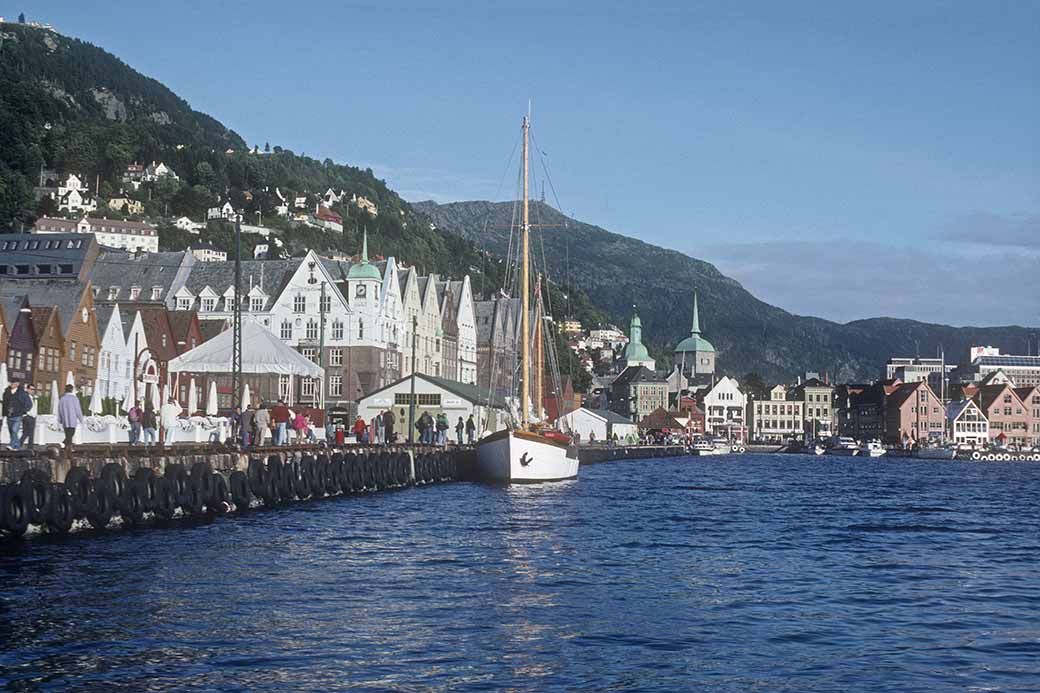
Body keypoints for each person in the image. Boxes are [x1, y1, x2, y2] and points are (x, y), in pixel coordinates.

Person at [57, 384, 83, 459]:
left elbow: (60, 410)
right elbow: (78, 410)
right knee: (70, 434)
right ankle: (65, 446)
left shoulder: (62, 399)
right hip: (72, 420)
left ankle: (67, 450)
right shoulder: (74, 399)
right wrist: (81, 418)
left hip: (65, 420)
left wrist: (60, 419)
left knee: (68, 434)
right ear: (71, 390)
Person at [19, 384, 37, 449]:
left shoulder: (32, 397)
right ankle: (30, 448)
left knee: (26, 432)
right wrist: (26, 412)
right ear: (27, 389)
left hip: (31, 416)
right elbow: (23, 406)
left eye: (34, 389)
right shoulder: (25, 396)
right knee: (31, 433)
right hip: (29, 416)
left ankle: (19, 443)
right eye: (31, 389)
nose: (33, 391)